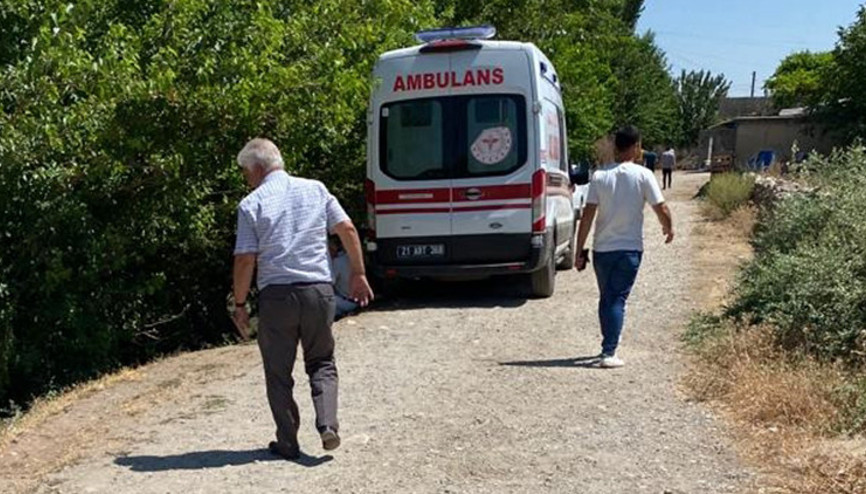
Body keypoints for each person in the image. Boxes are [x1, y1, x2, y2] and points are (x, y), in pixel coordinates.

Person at [231, 138, 374, 460]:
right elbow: (348, 229)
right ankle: (327, 425)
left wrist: (240, 305)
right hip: (318, 292)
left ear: (256, 168)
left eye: (245, 172)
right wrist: (358, 273)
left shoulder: (251, 204)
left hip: (277, 296)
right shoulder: (316, 189)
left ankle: (288, 442)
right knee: (322, 361)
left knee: (278, 372)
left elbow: (245, 259)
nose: (246, 178)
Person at [574, 126, 674, 368]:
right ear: (637, 146)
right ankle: (609, 351)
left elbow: (587, 216)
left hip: (602, 250)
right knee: (616, 299)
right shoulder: (643, 175)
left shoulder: (599, 176)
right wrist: (668, 227)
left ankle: (608, 343)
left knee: (607, 297)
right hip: (629, 249)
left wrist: (579, 250)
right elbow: (660, 207)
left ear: (616, 147)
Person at [329, 236, 360, 320]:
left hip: (345, 302)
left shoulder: (337, 262)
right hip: (356, 301)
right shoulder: (351, 258)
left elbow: (330, 282)